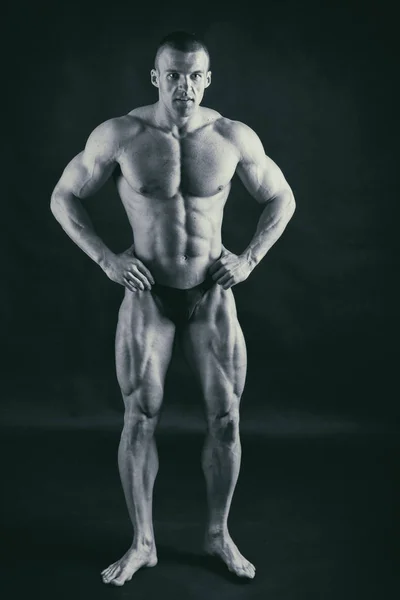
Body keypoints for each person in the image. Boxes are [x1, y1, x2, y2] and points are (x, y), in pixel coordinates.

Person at [50, 31, 296, 584]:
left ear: (207, 79)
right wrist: (107, 260)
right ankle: (142, 543)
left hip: (211, 294)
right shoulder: (122, 134)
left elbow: (282, 197)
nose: (183, 86)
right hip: (147, 296)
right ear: (156, 78)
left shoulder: (232, 137)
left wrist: (250, 258)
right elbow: (62, 196)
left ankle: (217, 535)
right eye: (173, 75)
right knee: (138, 418)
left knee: (227, 419)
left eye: (194, 76)